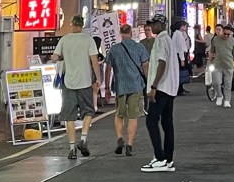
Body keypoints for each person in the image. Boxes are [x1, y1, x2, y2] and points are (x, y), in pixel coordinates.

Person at [51, 15, 102, 160]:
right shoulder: (88, 40)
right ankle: (83, 139)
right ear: (82, 25)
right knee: (88, 111)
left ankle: (72, 148)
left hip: (69, 83)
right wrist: (98, 78)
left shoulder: (64, 39)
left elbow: (55, 57)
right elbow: (94, 61)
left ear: (71, 24)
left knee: (69, 116)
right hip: (85, 82)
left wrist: (60, 58)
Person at [142, 15, 180, 172]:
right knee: (166, 122)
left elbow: (162, 63)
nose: (151, 27)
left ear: (162, 24)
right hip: (170, 87)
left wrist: (154, 86)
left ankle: (160, 157)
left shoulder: (161, 40)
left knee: (151, 121)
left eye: (154, 24)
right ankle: (168, 159)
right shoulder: (168, 39)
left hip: (161, 87)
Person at [105, 24, 150, 157]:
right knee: (133, 116)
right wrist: (149, 84)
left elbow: (108, 69)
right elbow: (145, 66)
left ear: (120, 33)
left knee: (119, 114)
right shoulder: (139, 47)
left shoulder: (114, 49)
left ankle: (120, 138)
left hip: (120, 86)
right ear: (131, 33)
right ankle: (129, 145)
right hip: (136, 85)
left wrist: (106, 87)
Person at [209, 24, 234, 108]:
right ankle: (219, 95)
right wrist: (209, 62)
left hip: (229, 65)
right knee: (216, 82)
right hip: (217, 64)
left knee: (228, 84)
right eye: (225, 33)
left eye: (228, 34)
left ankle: (227, 100)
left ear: (231, 34)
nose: (226, 36)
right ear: (222, 32)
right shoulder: (215, 39)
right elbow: (212, 51)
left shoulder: (232, 40)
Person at [171, 19, 191, 95]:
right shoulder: (179, 35)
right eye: (185, 26)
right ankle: (179, 89)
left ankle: (180, 88)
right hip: (179, 56)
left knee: (178, 72)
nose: (186, 28)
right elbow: (180, 48)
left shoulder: (177, 34)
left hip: (177, 55)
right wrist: (182, 59)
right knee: (179, 72)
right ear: (182, 26)